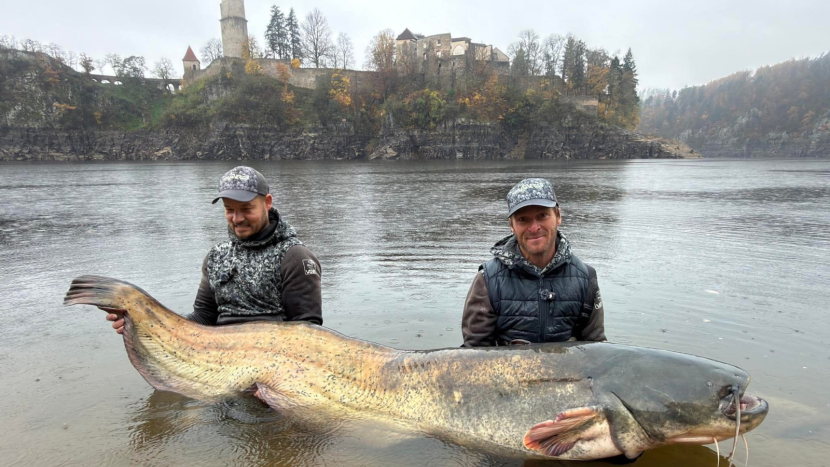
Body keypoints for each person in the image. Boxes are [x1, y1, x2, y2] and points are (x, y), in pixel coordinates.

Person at [105, 166, 322, 333]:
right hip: (218, 359)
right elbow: (202, 317)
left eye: (246, 209)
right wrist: (143, 324)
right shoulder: (217, 256)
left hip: (274, 363)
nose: (237, 218)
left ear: (267, 202)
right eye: (229, 210)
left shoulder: (295, 257)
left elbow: (308, 332)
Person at [461, 178, 605, 347]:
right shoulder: (487, 280)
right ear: (512, 225)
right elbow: (474, 351)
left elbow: (597, 349)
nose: (534, 227)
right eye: (523, 219)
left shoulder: (586, 278)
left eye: (542, 216)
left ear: (558, 216)